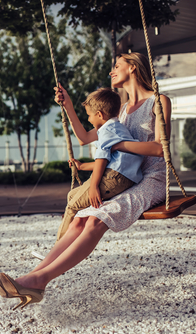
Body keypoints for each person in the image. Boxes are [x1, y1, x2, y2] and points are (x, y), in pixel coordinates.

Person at [0, 52, 171, 310]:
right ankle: (29, 279)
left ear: (132, 68)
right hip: (124, 178)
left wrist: (116, 144)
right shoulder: (120, 109)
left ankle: (39, 280)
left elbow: (159, 149)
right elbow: (86, 138)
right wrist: (67, 107)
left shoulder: (158, 100)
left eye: (117, 66)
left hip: (151, 178)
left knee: (96, 220)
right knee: (80, 218)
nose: (112, 71)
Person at [56, 88, 143, 241]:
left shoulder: (107, 131)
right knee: (71, 196)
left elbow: (102, 159)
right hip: (120, 174)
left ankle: (59, 247)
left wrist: (94, 186)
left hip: (114, 177)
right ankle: (72, 236)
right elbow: (107, 161)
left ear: (100, 115)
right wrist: (82, 166)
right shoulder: (115, 127)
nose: (89, 119)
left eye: (89, 115)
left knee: (71, 207)